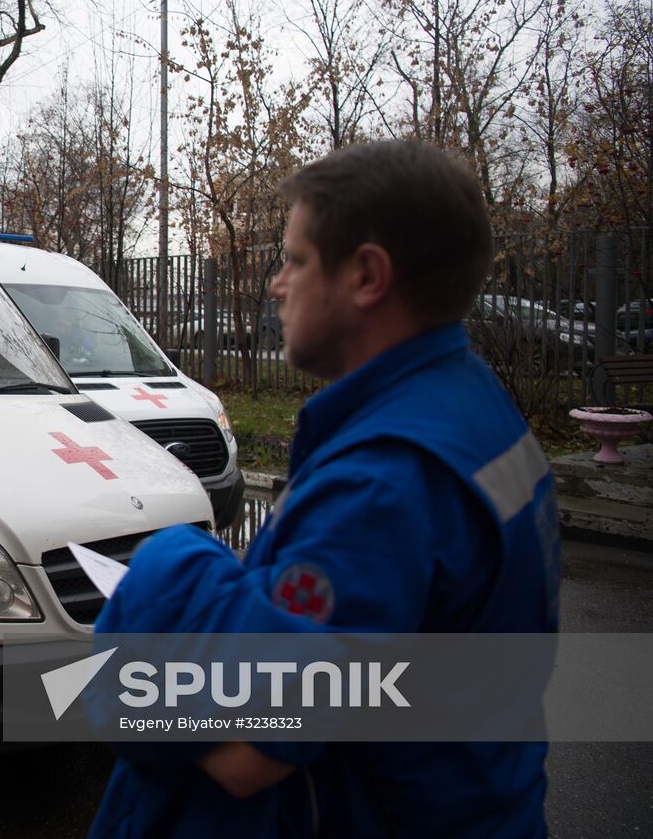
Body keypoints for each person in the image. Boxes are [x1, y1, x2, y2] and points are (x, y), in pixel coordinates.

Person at [89, 140, 561, 837]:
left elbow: (248, 756)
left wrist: (169, 569)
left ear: (367, 276)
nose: (277, 284)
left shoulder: (379, 486)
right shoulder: (472, 400)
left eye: (295, 260)